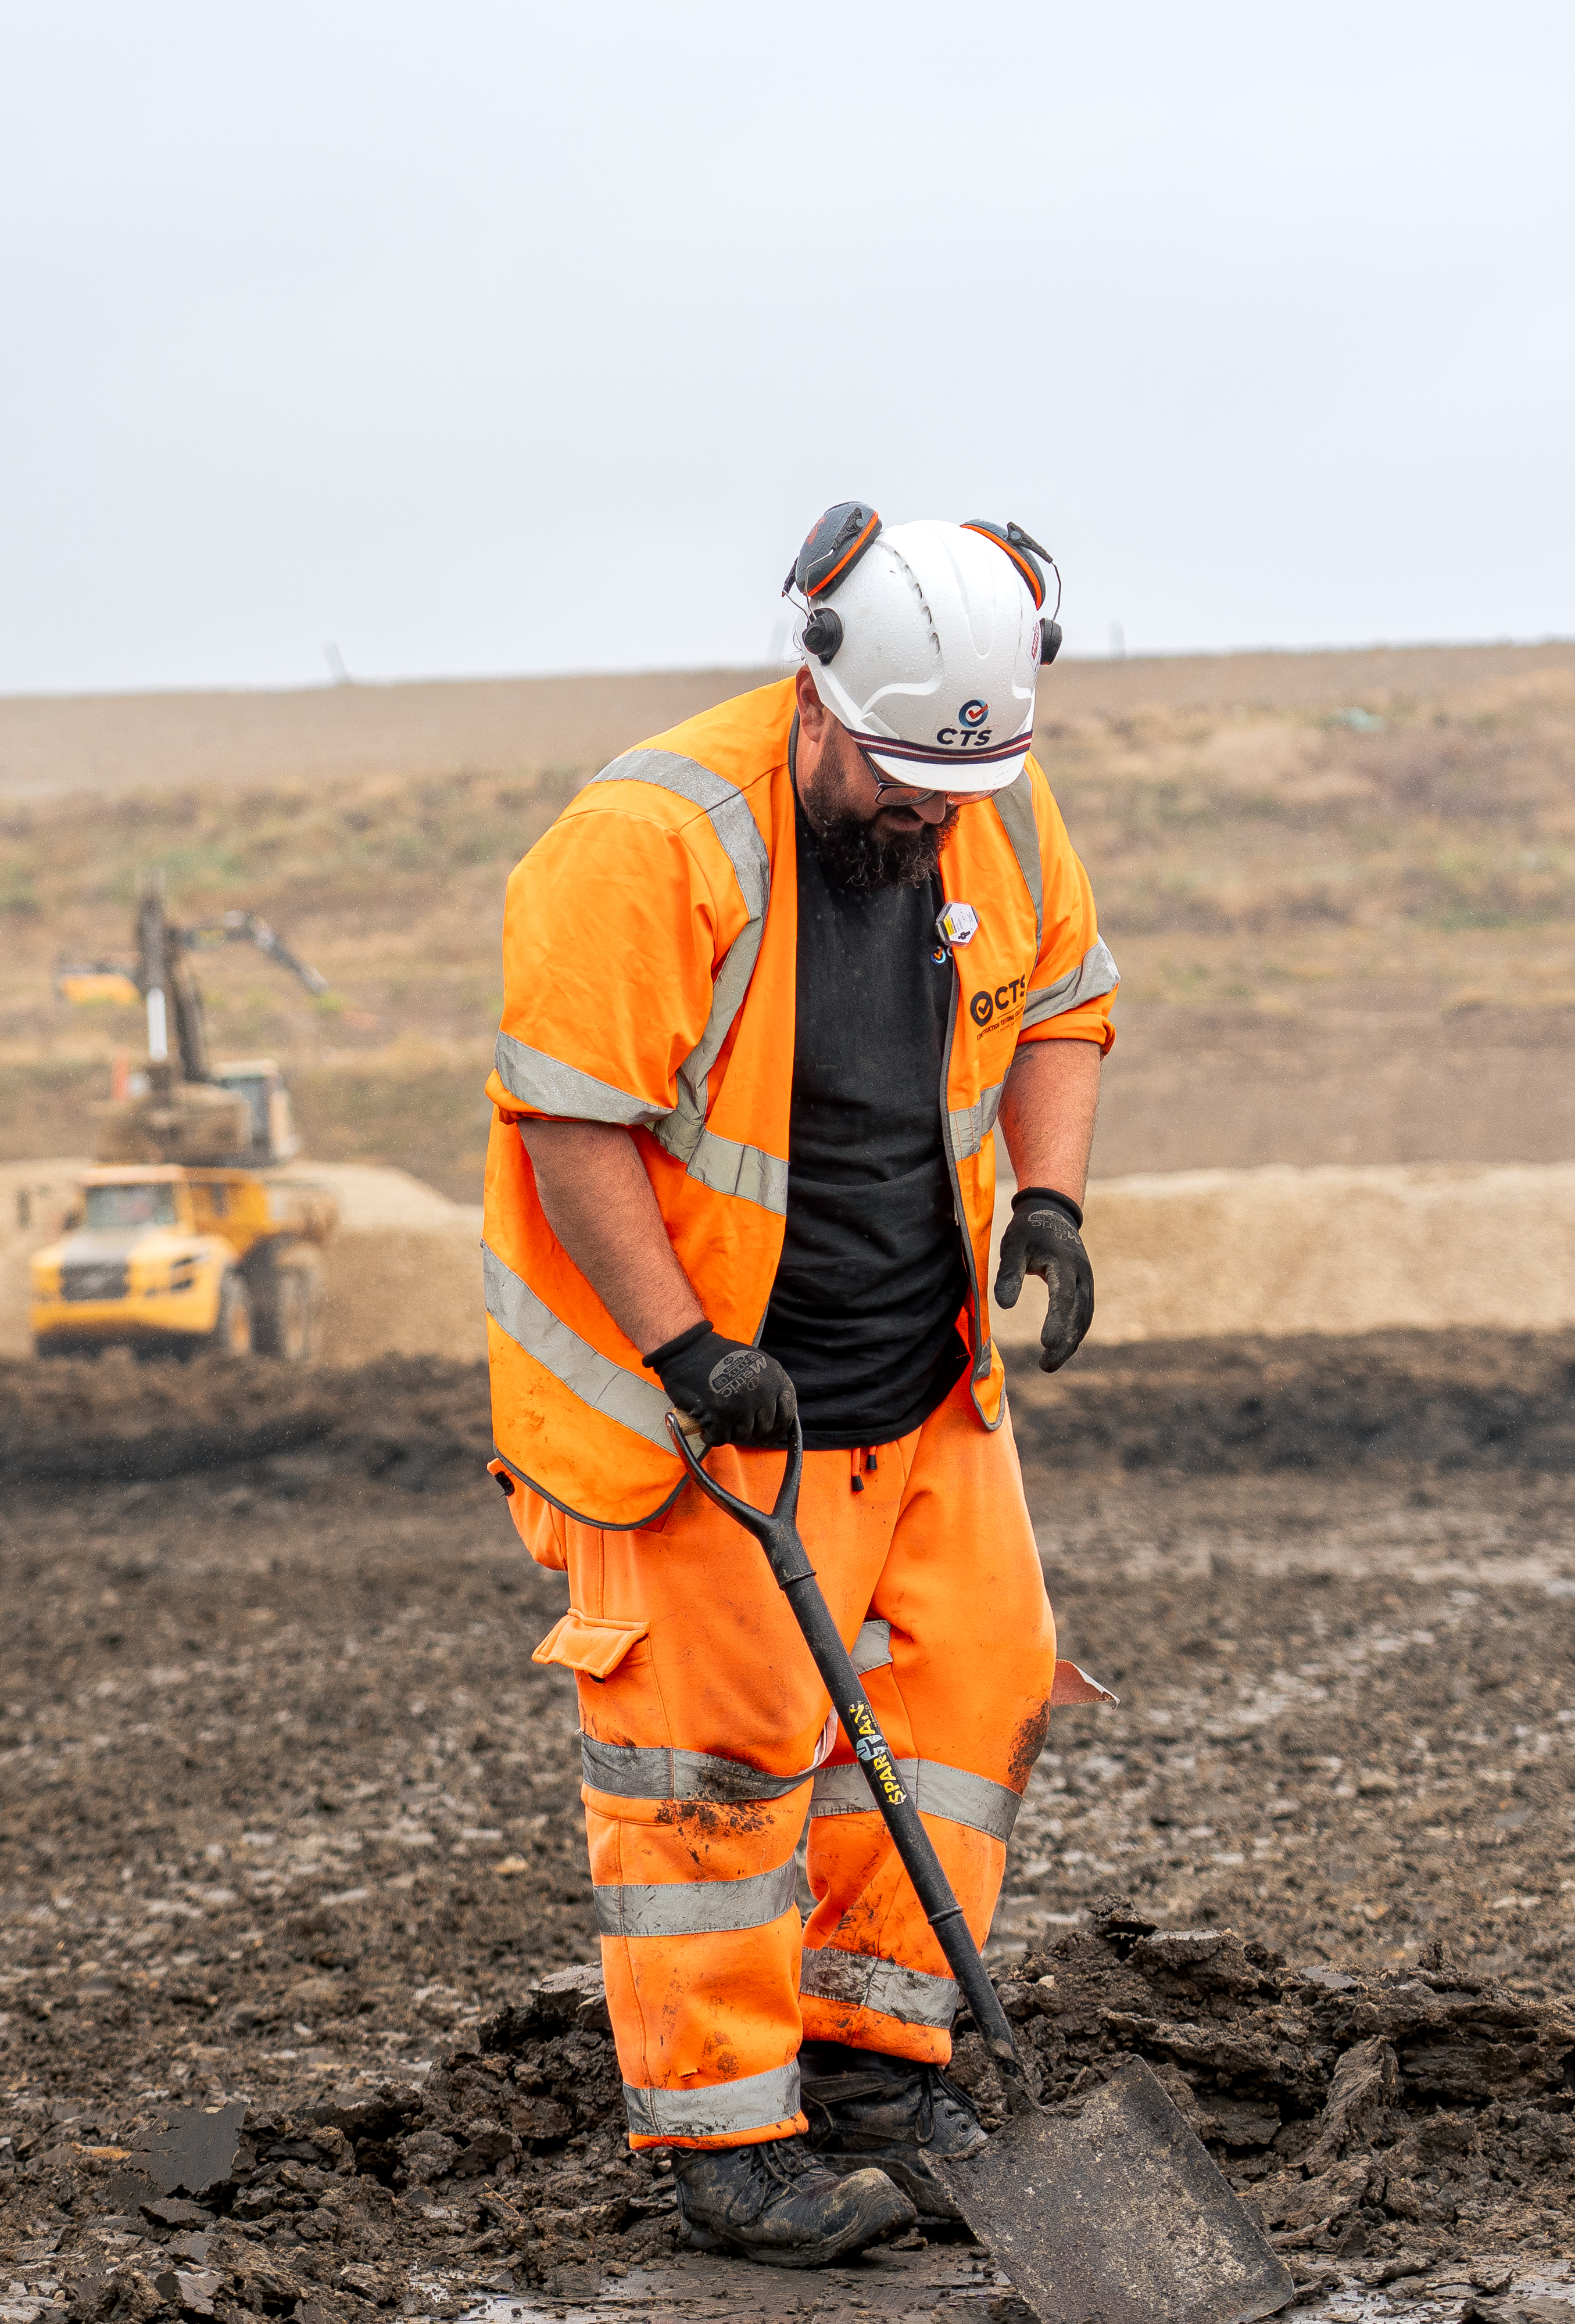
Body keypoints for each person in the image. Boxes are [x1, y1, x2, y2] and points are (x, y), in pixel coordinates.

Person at [481, 505, 1118, 2267]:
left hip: (922, 1385)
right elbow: (572, 1123)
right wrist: (690, 1350)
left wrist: (1048, 1201)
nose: (932, 815)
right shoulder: (647, 845)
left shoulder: (986, 788)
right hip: (704, 1412)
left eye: (959, 783)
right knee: (721, 1769)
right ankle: (728, 2144)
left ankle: (875, 2072)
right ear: (820, 696)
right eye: (903, 775)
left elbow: (1061, 1000)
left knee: (967, 1702)